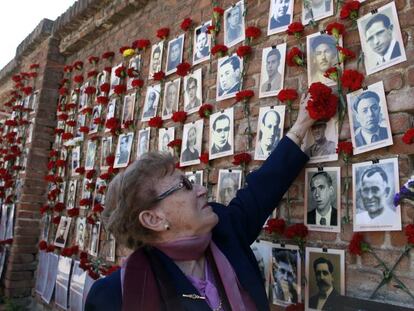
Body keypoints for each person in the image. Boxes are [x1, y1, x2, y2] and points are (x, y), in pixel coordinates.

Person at [85, 93, 314, 311]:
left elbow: (262, 190)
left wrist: (301, 126)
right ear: (154, 219)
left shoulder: (224, 231)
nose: (202, 190)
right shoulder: (115, 297)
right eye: (184, 185)